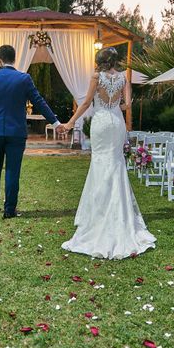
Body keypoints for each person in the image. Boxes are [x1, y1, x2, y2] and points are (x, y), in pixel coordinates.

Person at [61, 47, 156, 259]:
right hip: (116, 123)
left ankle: (99, 214)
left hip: (102, 122)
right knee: (116, 164)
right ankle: (120, 215)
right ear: (114, 61)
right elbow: (128, 104)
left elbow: (86, 103)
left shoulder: (97, 76)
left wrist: (70, 123)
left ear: (100, 61)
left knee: (100, 165)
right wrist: (115, 107)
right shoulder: (124, 78)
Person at [0, 44, 66, 219]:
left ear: (0, 60)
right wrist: (55, 123)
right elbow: (39, 102)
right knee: (12, 170)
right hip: (16, 132)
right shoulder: (24, 79)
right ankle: (10, 209)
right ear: (14, 59)